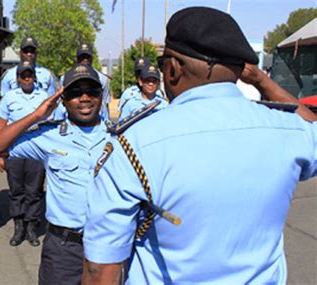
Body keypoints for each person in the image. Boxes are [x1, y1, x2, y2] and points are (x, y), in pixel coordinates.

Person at [82, 7, 317, 285]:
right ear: (242, 71)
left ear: (173, 69)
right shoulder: (289, 130)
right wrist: (263, 81)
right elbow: (311, 122)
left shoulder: (134, 144)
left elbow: (102, 270)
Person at [0, 64, 111, 285]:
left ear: (101, 96)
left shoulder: (120, 137)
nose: (84, 98)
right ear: (63, 99)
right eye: (74, 92)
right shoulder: (49, 135)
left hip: (108, 245)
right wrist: (37, 115)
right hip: (63, 249)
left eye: (91, 91)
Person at [0, 61, 48, 247]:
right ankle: (19, 227)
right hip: (15, 153)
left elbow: (51, 125)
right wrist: (0, 155)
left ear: (34, 77)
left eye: (30, 75)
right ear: (18, 78)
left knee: (34, 192)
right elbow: (2, 125)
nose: (27, 79)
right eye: (23, 75)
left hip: (37, 154)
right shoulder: (9, 97)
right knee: (16, 191)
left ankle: (31, 227)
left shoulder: (44, 96)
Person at [58, 43, 111, 119]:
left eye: (87, 57)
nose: (85, 60)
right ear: (77, 59)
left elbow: (105, 103)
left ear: (92, 58)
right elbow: (61, 103)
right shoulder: (65, 78)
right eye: (82, 57)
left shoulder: (103, 79)